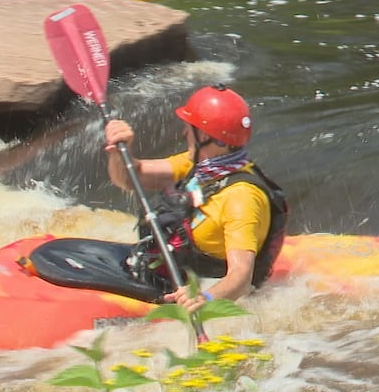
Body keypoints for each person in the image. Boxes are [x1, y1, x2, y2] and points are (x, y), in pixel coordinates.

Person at [103, 84, 288, 313]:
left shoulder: (242, 198)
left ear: (206, 137)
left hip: (210, 286)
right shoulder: (200, 165)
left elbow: (241, 275)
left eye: (189, 127)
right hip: (174, 269)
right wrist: (119, 150)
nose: (184, 133)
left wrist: (205, 299)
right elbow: (131, 178)